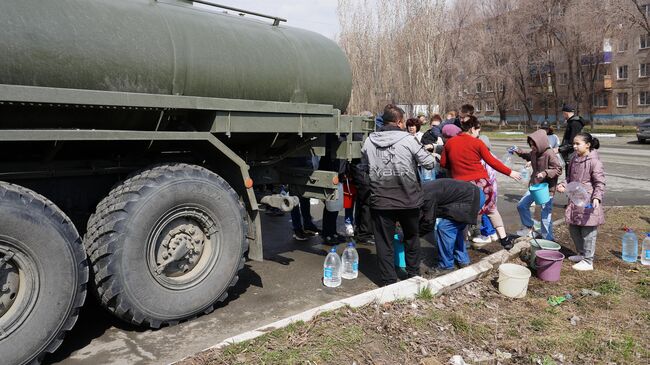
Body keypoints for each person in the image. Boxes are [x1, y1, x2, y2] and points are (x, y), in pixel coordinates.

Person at [360, 104, 435, 285]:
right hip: (408, 199)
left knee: (384, 242)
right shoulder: (409, 140)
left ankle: (388, 281)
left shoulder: (369, 140)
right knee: (411, 238)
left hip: (380, 200)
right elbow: (429, 164)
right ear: (400, 122)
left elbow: (364, 167)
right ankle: (413, 275)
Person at [440, 115, 522, 249]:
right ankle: (504, 239)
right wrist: (510, 172)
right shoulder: (477, 143)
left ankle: (464, 242)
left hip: (460, 186)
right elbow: (492, 161)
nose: (478, 134)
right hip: (482, 184)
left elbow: (443, 163)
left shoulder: (450, 143)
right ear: (472, 129)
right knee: (491, 210)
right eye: (478, 131)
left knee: (464, 215)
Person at [557, 133, 605, 271]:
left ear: (588, 145)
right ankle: (582, 253)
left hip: (589, 201)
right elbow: (569, 178)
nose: (574, 146)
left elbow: (600, 182)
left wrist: (597, 197)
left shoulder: (594, 161)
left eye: (578, 144)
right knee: (574, 227)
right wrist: (563, 185)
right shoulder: (574, 159)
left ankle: (588, 261)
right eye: (574, 143)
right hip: (575, 199)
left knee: (588, 231)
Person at [419, 179, 482, 275]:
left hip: (470, 199)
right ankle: (463, 260)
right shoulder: (422, 188)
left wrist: (416, 234)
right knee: (454, 228)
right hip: (475, 193)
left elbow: (429, 221)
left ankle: (446, 266)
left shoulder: (426, 196)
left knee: (444, 228)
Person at [513, 129, 563, 241]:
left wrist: (545, 173)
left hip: (546, 189)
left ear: (541, 143)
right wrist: (518, 151)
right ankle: (530, 227)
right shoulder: (535, 152)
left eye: (534, 145)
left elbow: (558, 169)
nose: (532, 148)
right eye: (531, 145)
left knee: (545, 214)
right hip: (535, 187)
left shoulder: (550, 154)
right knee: (521, 205)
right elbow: (528, 155)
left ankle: (548, 239)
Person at [471, 135, 499, 246]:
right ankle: (492, 233)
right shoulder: (492, 156)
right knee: (491, 210)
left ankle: (486, 235)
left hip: (486, 188)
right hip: (493, 187)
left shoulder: (482, 159)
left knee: (485, 211)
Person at [558, 105, 584, 173]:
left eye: (563, 113)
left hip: (572, 155)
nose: (563, 116)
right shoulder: (571, 122)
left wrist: (559, 149)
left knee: (571, 177)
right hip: (569, 155)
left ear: (565, 113)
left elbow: (573, 142)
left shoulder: (575, 123)